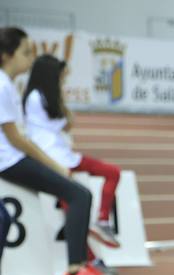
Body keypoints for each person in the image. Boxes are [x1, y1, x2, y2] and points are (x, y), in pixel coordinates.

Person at [0, 27, 113, 275]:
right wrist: (56, 166)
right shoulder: (3, 85)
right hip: (9, 161)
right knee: (79, 195)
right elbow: (17, 139)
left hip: (13, 157)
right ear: (6, 55)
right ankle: (76, 269)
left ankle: (82, 264)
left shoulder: (8, 85)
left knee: (77, 194)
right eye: (26, 52)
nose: (30, 59)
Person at [24, 55, 120, 248]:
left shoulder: (48, 96)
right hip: (51, 159)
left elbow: (65, 125)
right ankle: (84, 261)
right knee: (73, 205)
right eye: (61, 77)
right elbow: (62, 124)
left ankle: (102, 220)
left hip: (65, 155)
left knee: (112, 172)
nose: (63, 81)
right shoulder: (36, 98)